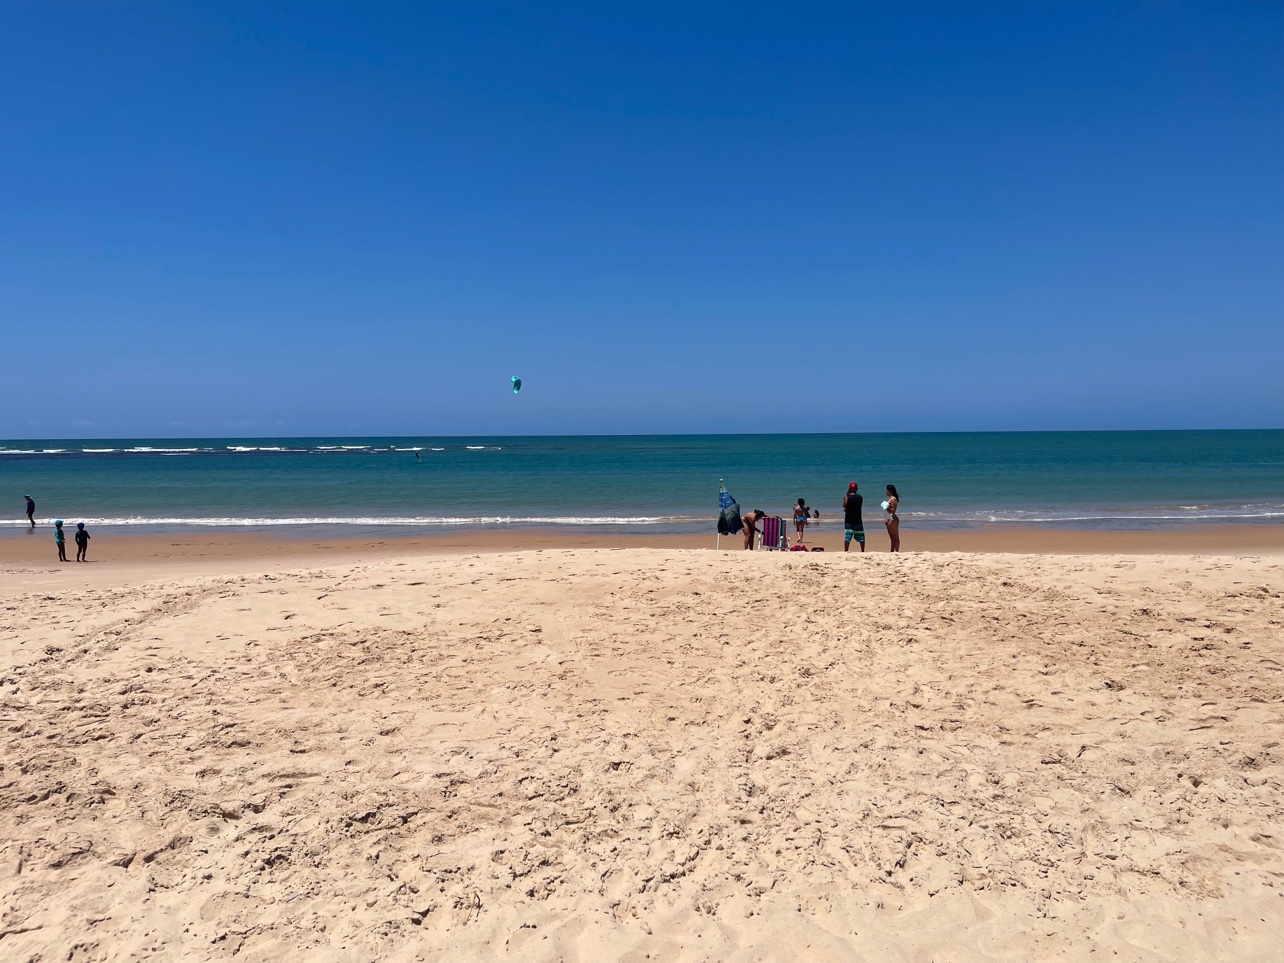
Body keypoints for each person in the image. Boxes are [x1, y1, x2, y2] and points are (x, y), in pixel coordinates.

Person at [843, 482, 865, 553]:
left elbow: (844, 505)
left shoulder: (846, 497)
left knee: (847, 537)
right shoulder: (860, 497)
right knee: (861, 537)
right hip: (858, 520)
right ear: (856, 489)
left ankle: (846, 551)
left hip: (848, 520)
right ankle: (862, 551)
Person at [883, 485, 901, 552]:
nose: (886, 492)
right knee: (892, 537)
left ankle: (896, 550)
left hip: (892, 518)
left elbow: (893, 510)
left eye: (887, 490)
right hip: (889, 517)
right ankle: (892, 550)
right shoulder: (890, 498)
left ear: (889, 491)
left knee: (895, 537)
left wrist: (886, 506)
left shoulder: (893, 499)